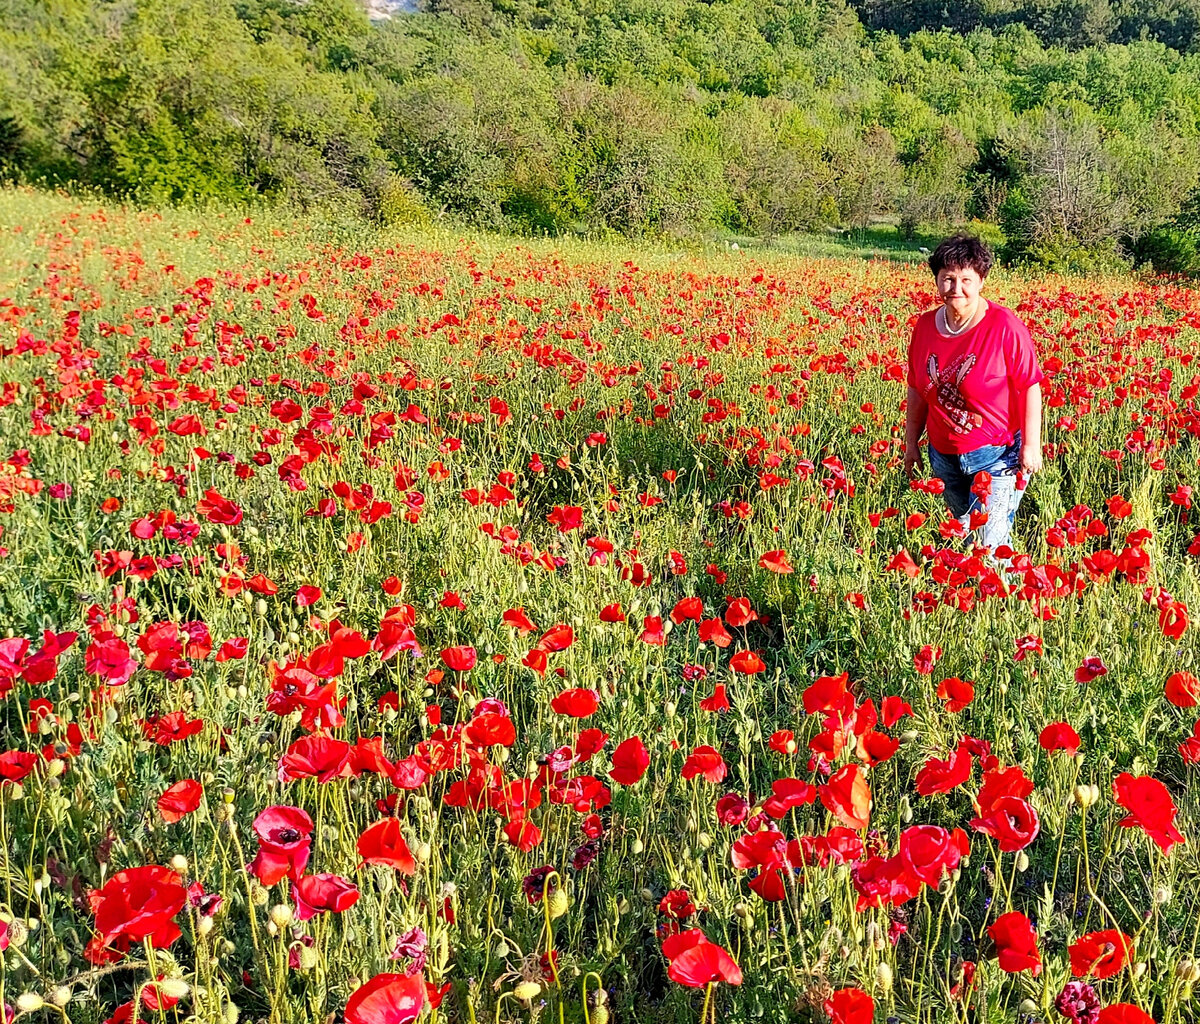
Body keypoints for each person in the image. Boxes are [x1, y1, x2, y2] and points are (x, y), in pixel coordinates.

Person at [903, 234, 1044, 557]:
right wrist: (911, 443)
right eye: (947, 278)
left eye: (966, 279)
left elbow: (1029, 386)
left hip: (997, 455)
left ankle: (999, 602)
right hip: (944, 455)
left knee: (988, 548)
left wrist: (1032, 446)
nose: (956, 288)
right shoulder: (925, 326)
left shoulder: (1005, 326)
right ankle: (974, 598)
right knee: (965, 536)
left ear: (982, 281)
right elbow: (917, 388)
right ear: (936, 281)